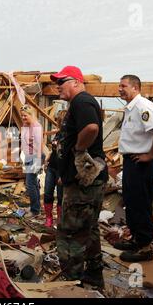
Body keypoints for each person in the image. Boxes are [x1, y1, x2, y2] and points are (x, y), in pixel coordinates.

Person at [51, 65, 107, 288]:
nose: (57, 88)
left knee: (71, 232)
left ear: (75, 81)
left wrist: (80, 151)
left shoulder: (82, 101)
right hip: (81, 182)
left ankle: (70, 282)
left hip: (84, 185)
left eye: (61, 82)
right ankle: (94, 275)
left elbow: (91, 128)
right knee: (89, 229)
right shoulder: (78, 103)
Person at [116, 75, 153, 262]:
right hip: (132, 161)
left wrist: (151, 154)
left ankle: (145, 248)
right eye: (119, 86)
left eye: (123, 86)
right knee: (131, 203)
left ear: (135, 87)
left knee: (140, 205)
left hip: (142, 163)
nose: (119, 89)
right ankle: (137, 240)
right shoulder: (131, 108)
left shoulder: (143, 106)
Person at [20, 105, 44, 216]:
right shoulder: (26, 125)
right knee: (33, 184)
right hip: (29, 156)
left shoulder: (36, 127)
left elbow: (39, 145)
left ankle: (35, 210)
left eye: (25, 116)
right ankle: (36, 208)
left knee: (30, 184)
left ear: (31, 114)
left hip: (36, 156)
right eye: (22, 116)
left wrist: (38, 162)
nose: (23, 118)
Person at [43, 110, 65, 227]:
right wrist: (46, 160)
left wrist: (64, 174)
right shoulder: (58, 134)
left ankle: (60, 220)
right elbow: (54, 151)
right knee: (47, 193)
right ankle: (49, 218)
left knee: (61, 196)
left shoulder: (68, 136)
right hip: (52, 167)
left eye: (59, 121)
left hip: (61, 170)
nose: (57, 123)